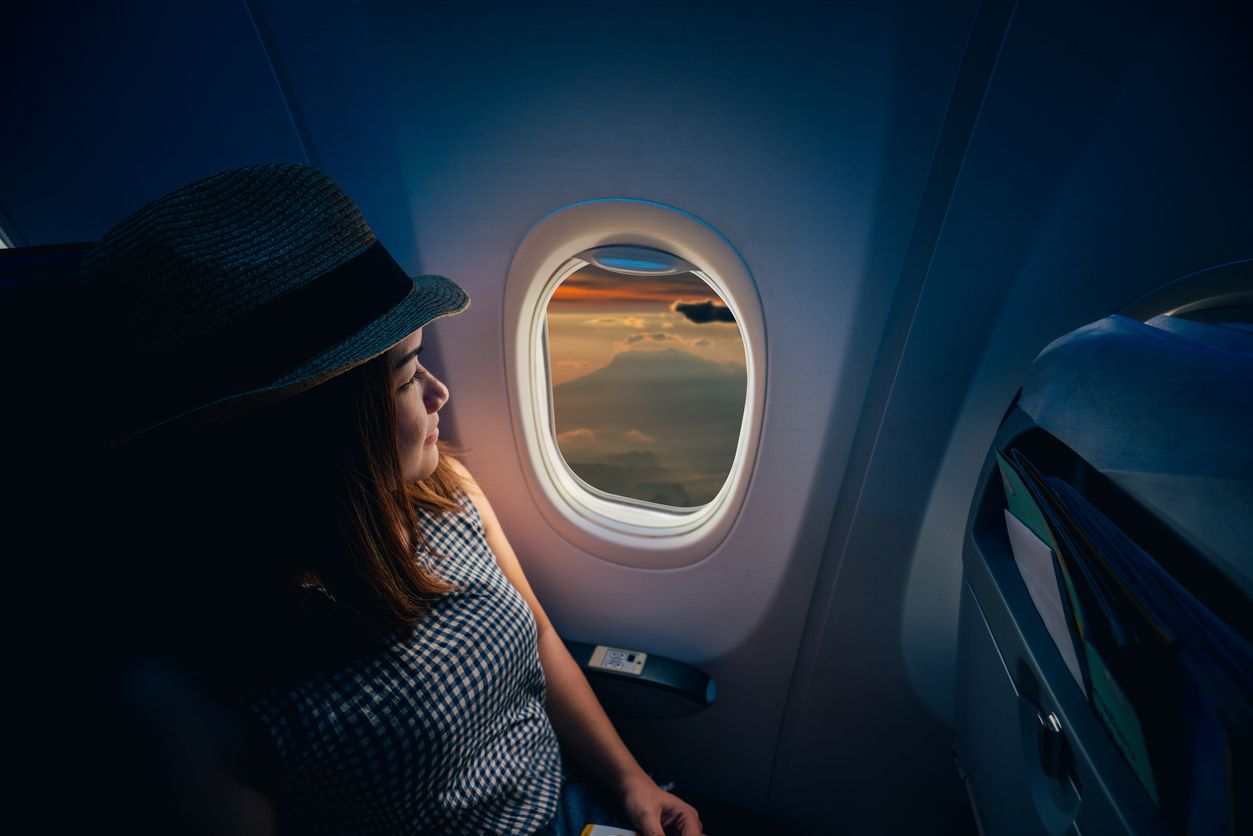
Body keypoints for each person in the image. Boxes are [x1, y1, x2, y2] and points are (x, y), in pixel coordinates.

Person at [77, 163, 703, 836]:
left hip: (578, 812)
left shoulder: (443, 494)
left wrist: (629, 782)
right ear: (315, 430)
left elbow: (541, 638)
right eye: (406, 376)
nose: (440, 394)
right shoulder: (192, 692)